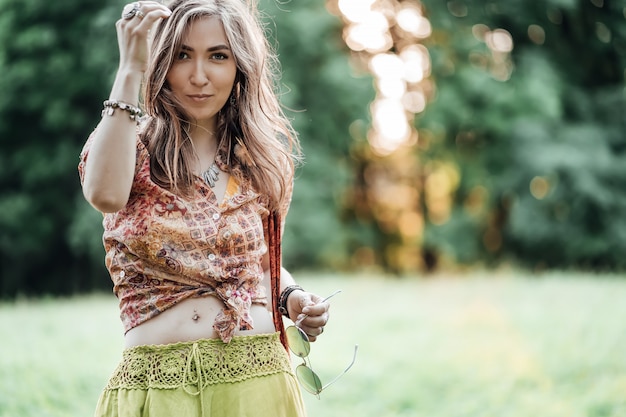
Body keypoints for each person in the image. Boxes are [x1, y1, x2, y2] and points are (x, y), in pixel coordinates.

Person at [78, 1, 331, 415]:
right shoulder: (129, 144)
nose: (199, 76)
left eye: (218, 56)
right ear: (161, 62)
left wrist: (292, 295)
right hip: (158, 390)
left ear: (239, 67)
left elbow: (261, 263)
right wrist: (129, 70)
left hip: (258, 383)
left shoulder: (258, 160)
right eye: (182, 55)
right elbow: (104, 194)